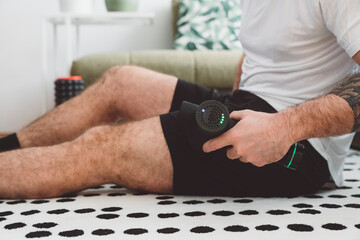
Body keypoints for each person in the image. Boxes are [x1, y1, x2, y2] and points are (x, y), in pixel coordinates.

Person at [0, 0, 360, 199]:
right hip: (250, 104)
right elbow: (261, 56)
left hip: (298, 147)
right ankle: (7, 148)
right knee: (120, 81)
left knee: (103, 146)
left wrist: (285, 126)